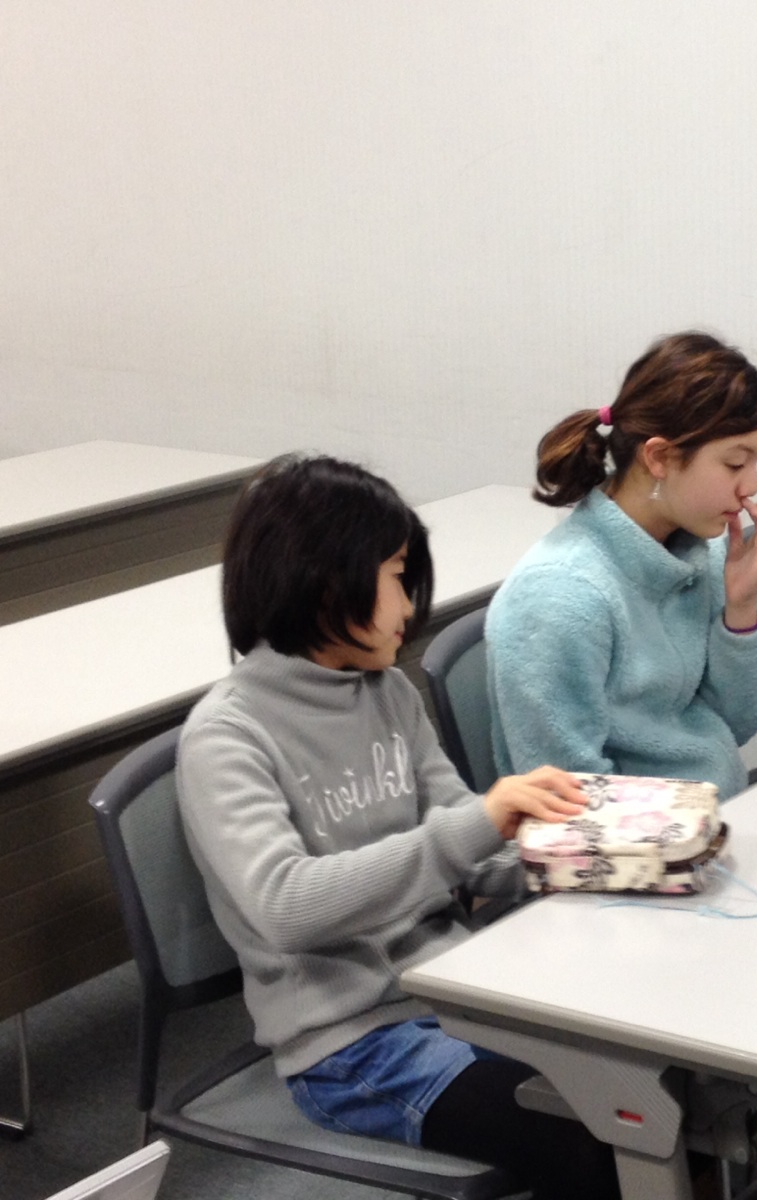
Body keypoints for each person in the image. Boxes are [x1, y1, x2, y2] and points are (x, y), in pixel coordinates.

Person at [175, 454, 622, 1200]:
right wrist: (479, 823)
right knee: (588, 1135)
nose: (409, 605)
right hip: (351, 1047)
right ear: (326, 582)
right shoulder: (227, 735)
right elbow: (285, 907)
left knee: (651, 1086)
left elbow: (473, 859)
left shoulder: (386, 692)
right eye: (395, 576)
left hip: (457, 992)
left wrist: (599, 850)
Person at [487, 331, 757, 800]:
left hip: (712, 815)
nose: (752, 486)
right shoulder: (560, 596)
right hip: (628, 840)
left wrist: (740, 611)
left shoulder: (700, 553)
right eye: (734, 464)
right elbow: (570, 801)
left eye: (756, 462)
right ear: (659, 457)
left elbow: (736, 725)